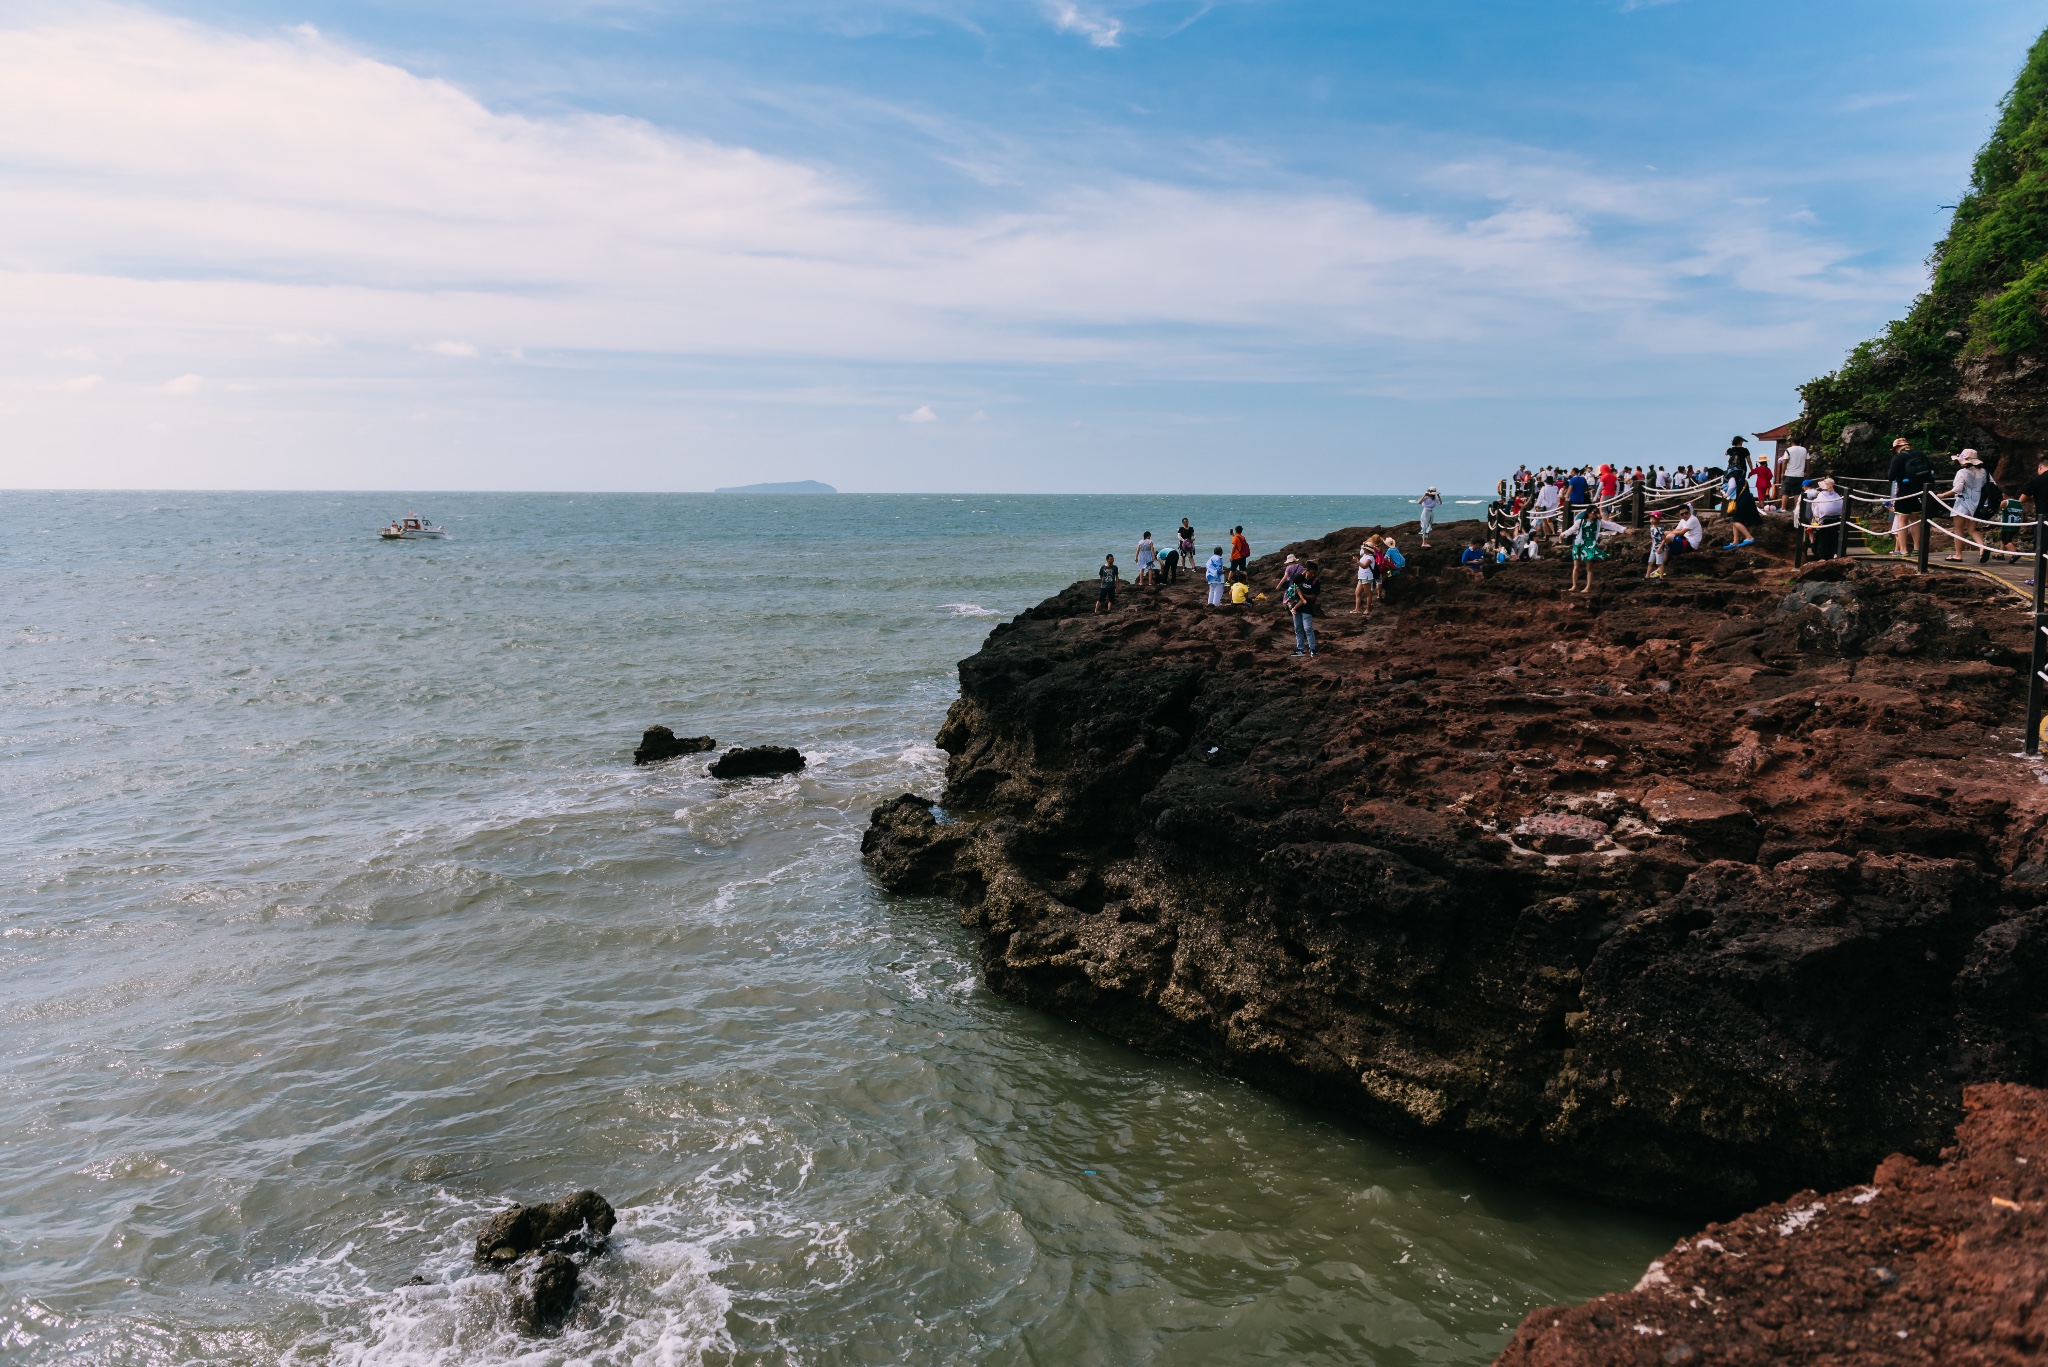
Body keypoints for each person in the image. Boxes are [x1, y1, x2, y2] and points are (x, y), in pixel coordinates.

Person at [1888, 436, 1935, 559]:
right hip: (1920, 492)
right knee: (1915, 519)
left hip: (1904, 492)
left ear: (1896, 448)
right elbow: (1931, 471)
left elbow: (1891, 477)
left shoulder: (1897, 457)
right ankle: (1917, 548)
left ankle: (1903, 550)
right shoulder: (1920, 454)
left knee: (1902, 521)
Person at [1946, 450, 1987, 561]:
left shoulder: (1962, 472)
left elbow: (1957, 489)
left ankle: (1958, 555)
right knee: (1972, 529)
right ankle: (1982, 548)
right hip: (1977, 503)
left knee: (1958, 529)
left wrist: (1942, 495)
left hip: (1962, 503)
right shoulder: (1983, 472)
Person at [1723, 437, 1759, 547]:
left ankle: (1749, 537)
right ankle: (1735, 542)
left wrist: (1726, 495)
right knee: (1736, 519)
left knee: (1735, 520)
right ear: (1741, 442)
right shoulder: (1745, 450)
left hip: (1741, 498)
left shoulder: (1731, 451)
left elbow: (1725, 453)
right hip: (1742, 474)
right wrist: (1752, 469)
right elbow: (1748, 460)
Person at [1567, 505, 1607, 593]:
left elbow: (1611, 525)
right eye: (1594, 512)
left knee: (1589, 567)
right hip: (1579, 544)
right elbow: (1572, 529)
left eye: (1597, 512)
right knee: (1576, 566)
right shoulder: (1581, 521)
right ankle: (1574, 585)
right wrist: (1564, 534)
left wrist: (1623, 529)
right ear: (1588, 513)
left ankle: (1587, 587)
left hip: (1590, 545)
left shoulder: (1598, 522)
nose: (1596, 514)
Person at [1284, 560, 1319, 657]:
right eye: (1312, 573)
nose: (1313, 575)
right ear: (1307, 570)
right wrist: (1290, 603)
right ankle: (1301, 649)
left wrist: (1301, 595)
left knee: (1308, 628)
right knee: (1298, 628)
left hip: (1307, 608)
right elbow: (1292, 591)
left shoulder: (1315, 581)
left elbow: (1313, 597)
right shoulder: (1299, 578)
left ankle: (1312, 649)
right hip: (1297, 607)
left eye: (1314, 573)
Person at [1806, 478, 1847, 559]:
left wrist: (1816, 520)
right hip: (1836, 519)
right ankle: (1834, 553)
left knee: (1823, 538)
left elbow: (1816, 509)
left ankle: (1821, 555)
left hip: (1824, 520)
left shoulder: (1821, 495)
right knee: (1834, 537)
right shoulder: (1836, 495)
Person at [1778, 442, 1808, 510]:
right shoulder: (1805, 450)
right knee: (1797, 492)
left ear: (1792, 442)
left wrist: (1782, 473)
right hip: (1800, 475)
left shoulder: (1788, 450)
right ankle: (1796, 509)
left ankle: (1783, 508)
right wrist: (1807, 472)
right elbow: (1808, 461)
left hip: (1789, 474)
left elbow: (1784, 462)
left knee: (1785, 491)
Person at [1354, 539, 1376, 614]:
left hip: (1366, 576)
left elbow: (1364, 566)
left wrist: (1357, 561)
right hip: (1361, 576)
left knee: (1368, 593)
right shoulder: (1365, 555)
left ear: (1367, 549)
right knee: (1357, 592)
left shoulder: (1370, 557)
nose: (1363, 548)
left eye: (1364, 548)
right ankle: (1357, 609)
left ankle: (1368, 609)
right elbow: (1361, 552)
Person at [1645, 512, 1667, 579]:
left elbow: (1664, 539)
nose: (1651, 520)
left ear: (1658, 520)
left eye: (1653, 519)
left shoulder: (1660, 528)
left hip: (1659, 548)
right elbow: (1653, 538)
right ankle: (1647, 576)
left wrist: (1660, 548)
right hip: (1654, 548)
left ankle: (1661, 577)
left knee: (1659, 563)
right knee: (1650, 562)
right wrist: (1652, 546)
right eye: (1651, 518)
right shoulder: (1651, 527)